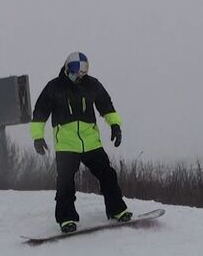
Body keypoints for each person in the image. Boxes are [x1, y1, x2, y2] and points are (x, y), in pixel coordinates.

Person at [30, 51, 132, 233]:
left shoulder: (92, 85)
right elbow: (39, 113)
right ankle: (66, 218)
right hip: (67, 145)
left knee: (108, 174)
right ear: (67, 68)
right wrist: (38, 137)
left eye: (83, 71)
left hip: (91, 142)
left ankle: (117, 210)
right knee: (65, 181)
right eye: (76, 71)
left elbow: (106, 106)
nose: (80, 75)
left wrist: (115, 125)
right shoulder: (54, 87)